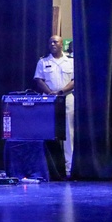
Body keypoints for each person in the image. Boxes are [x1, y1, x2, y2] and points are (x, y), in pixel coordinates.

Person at [34, 35, 75, 178]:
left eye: (55, 42)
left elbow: (74, 80)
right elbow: (39, 79)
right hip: (48, 100)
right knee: (48, 133)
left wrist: (61, 92)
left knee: (69, 133)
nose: (52, 44)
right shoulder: (43, 61)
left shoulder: (70, 61)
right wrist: (50, 93)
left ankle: (69, 168)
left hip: (66, 99)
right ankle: (50, 168)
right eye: (50, 42)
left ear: (62, 44)